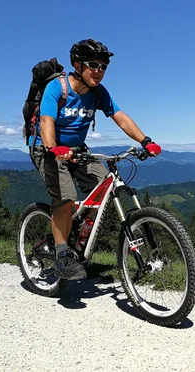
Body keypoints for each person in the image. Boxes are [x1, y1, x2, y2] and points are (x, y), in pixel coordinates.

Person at [28, 38, 161, 280]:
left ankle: (78, 243)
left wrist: (145, 141)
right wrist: (53, 147)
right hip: (47, 148)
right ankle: (62, 255)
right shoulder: (58, 88)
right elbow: (46, 120)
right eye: (93, 65)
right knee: (66, 198)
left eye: (103, 67)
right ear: (77, 65)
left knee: (104, 190)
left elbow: (120, 116)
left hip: (78, 149)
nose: (99, 71)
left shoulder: (98, 93)